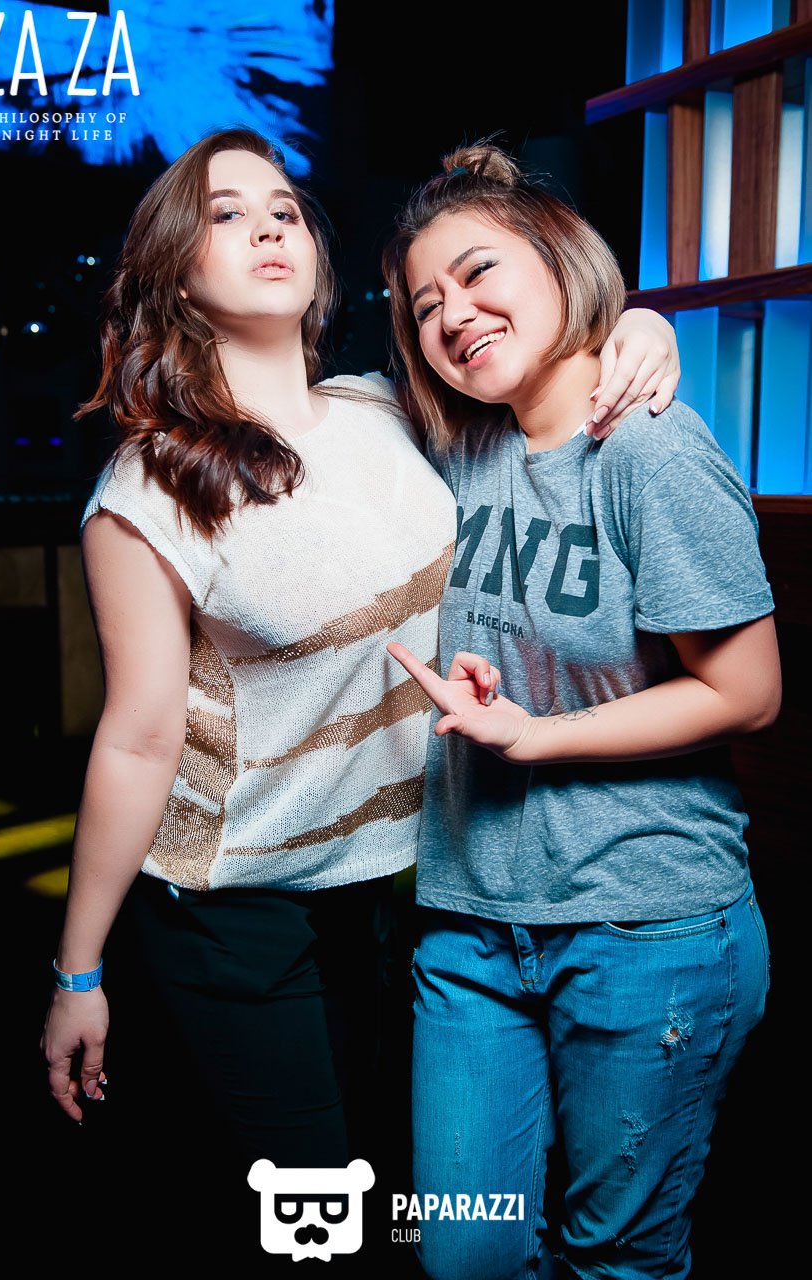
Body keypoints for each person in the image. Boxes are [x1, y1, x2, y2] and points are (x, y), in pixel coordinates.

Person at [39, 127, 679, 1195]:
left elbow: (538, 376)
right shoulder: (149, 487)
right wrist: (77, 972)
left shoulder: (386, 410)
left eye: (283, 210)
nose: (267, 229)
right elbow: (139, 737)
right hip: (238, 900)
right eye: (226, 215)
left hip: (406, 876)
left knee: (408, 1177)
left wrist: (640, 328)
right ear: (178, 279)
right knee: (313, 1205)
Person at [382, 143, 780, 1280]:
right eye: (424, 308)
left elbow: (749, 693)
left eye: (477, 273)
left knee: (618, 1260)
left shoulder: (648, 449)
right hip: (470, 918)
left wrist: (536, 734)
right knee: (462, 1254)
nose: (453, 316)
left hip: (644, 925)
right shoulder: (456, 448)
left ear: (559, 259)